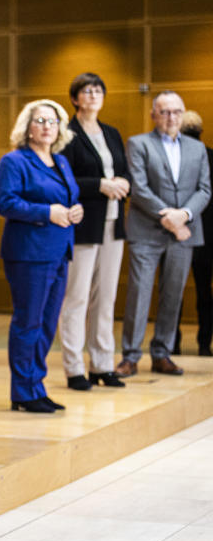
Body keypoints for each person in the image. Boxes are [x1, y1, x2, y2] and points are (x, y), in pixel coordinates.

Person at [116, 92, 211, 377]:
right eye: (165, 112)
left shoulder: (197, 149)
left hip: (185, 232)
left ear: (183, 115)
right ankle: (130, 356)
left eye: (176, 112)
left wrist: (184, 215)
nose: (171, 118)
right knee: (140, 292)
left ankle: (162, 354)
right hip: (147, 231)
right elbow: (140, 188)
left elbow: (204, 189)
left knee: (173, 295)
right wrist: (169, 216)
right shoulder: (138, 143)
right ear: (154, 114)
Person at [0, 100, 82, 412]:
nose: (48, 126)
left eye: (53, 121)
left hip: (59, 250)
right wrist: (48, 212)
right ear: (27, 127)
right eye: (41, 120)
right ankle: (22, 391)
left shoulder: (60, 161)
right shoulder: (14, 161)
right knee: (28, 321)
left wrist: (75, 210)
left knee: (47, 324)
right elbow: (6, 203)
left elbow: (67, 198)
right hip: (29, 253)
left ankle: (36, 385)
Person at [58, 73, 130, 390]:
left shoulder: (111, 132)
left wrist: (124, 183)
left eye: (98, 90)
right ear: (75, 98)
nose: (94, 95)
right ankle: (74, 368)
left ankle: (102, 364)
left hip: (114, 224)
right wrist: (99, 185)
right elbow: (64, 177)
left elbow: (123, 170)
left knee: (106, 298)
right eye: (87, 91)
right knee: (77, 297)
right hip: (85, 224)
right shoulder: (67, 134)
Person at [181, 111, 213, 356]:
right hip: (207, 236)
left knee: (174, 291)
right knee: (204, 292)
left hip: (182, 231)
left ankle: (171, 343)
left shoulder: (178, 157)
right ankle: (204, 343)